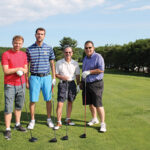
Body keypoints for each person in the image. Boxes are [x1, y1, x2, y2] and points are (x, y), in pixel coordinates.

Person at [26, 27, 56, 129]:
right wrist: (26, 80)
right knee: (33, 100)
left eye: (42, 34)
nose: (40, 35)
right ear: (35, 35)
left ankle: (48, 119)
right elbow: (27, 65)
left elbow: (52, 63)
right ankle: (32, 120)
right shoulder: (29, 49)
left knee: (48, 99)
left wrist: (54, 77)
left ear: (44, 35)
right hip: (34, 77)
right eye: (38, 34)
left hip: (46, 77)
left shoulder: (49, 48)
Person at [1, 35, 28, 140]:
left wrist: (22, 70)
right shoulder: (6, 54)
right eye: (16, 43)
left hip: (21, 84)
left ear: (22, 44)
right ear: (12, 42)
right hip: (10, 85)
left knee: (19, 106)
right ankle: (8, 129)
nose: (18, 45)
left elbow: (26, 69)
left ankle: (17, 124)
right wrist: (18, 69)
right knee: (8, 107)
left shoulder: (23, 54)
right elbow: (6, 70)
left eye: (20, 43)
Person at [81, 40, 106, 132]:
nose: (88, 49)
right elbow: (83, 72)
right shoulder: (85, 58)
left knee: (98, 104)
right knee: (90, 104)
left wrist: (89, 72)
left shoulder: (98, 57)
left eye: (90, 47)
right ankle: (94, 118)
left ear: (93, 48)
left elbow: (101, 69)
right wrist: (81, 82)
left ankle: (103, 124)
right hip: (87, 84)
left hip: (96, 84)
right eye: (86, 48)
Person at [54, 46, 80, 130]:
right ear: (63, 53)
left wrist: (78, 85)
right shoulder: (58, 62)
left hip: (72, 84)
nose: (68, 54)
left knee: (70, 101)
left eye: (69, 52)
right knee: (60, 103)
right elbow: (56, 74)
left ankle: (68, 119)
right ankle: (58, 121)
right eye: (66, 52)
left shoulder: (75, 63)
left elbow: (77, 75)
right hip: (63, 84)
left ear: (72, 53)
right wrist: (62, 77)